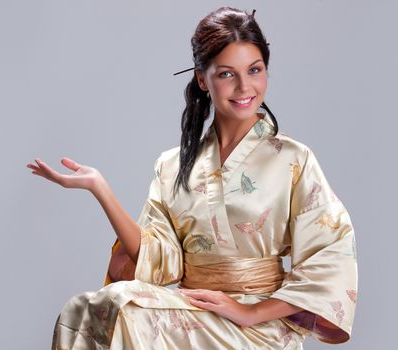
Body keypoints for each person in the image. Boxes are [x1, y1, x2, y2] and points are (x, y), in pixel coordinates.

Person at [27, 6, 357, 349]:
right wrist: (100, 189)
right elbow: (157, 259)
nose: (245, 86)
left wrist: (252, 312)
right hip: (193, 311)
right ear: (203, 78)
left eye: (255, 70)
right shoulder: (173, 165)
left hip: (259, 326)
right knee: (84, 308)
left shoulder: (294, 159)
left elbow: (330, 259)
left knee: (125, 310)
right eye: (227, 74)